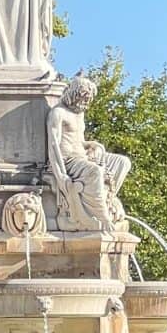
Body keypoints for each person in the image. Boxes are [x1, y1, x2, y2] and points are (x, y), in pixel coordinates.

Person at [47, 74, 131, 230]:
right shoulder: (58, 113)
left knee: (123, 163)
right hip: (69, 161)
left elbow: (78, 140)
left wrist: (91, 144)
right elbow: (53, 145)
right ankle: (101, 216)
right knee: (96, 171)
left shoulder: (80, 113)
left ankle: (107, 200)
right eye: (83, 98)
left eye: (88, 99)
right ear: (74, 94)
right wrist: (61, 175)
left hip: (83, 156)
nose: (85, 102)